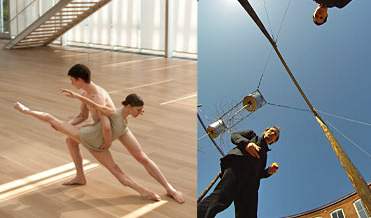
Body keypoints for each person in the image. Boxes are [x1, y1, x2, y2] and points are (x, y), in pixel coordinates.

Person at [14, 90, 185, 204]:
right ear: (128, 106)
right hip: (87, 138)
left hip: (99, 144)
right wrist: (75, 95)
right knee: (52, 119)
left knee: (127, 167)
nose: (141, 112)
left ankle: (159, 189)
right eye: (138, 109)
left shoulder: (125, 121)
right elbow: (93, 105)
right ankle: (25, 110)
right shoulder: (112, 112)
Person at [197, 127, 280, 218]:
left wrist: (268, 172)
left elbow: (259, 173)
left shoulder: (265, 156)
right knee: (221, 198)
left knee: (249, 212)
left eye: (275, 134)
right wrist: (246, 144)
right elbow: (234, 135)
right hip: (238, 167)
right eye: (271, 130)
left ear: (274, 141)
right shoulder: (251, 135)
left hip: (252, 182)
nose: (272, 133)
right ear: (265, 132)